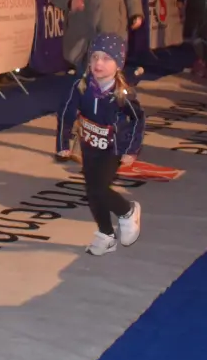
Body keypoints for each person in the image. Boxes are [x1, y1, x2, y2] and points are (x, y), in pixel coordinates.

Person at [53, 31, 144, 256]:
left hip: (113, 149)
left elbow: (137, 119)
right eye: (94, 57)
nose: (98, 63)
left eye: (106, 58)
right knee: (92, 192)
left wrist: (131, 149)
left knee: (99, 188)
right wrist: (62, 142)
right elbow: (66, 114)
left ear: (118, 64)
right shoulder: (80, 87)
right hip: (89, 146)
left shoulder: (122, 94)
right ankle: (106, 234)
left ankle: (127, 211)